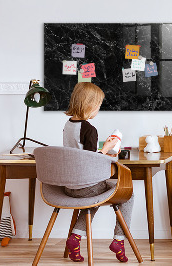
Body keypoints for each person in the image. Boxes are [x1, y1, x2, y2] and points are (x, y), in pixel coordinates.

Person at [63, 82, 133, 263]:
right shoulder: (89, 129)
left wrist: (103, 149)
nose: (98, 110)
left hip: (69, 186)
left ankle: (75, 238)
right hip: (86, 186)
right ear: (89, 105)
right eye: (98, 106)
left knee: (93, 197)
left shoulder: (68, 125)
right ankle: (119, 240)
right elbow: (91, 161)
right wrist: (108, 148)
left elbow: (80, 154)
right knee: (128, 194)